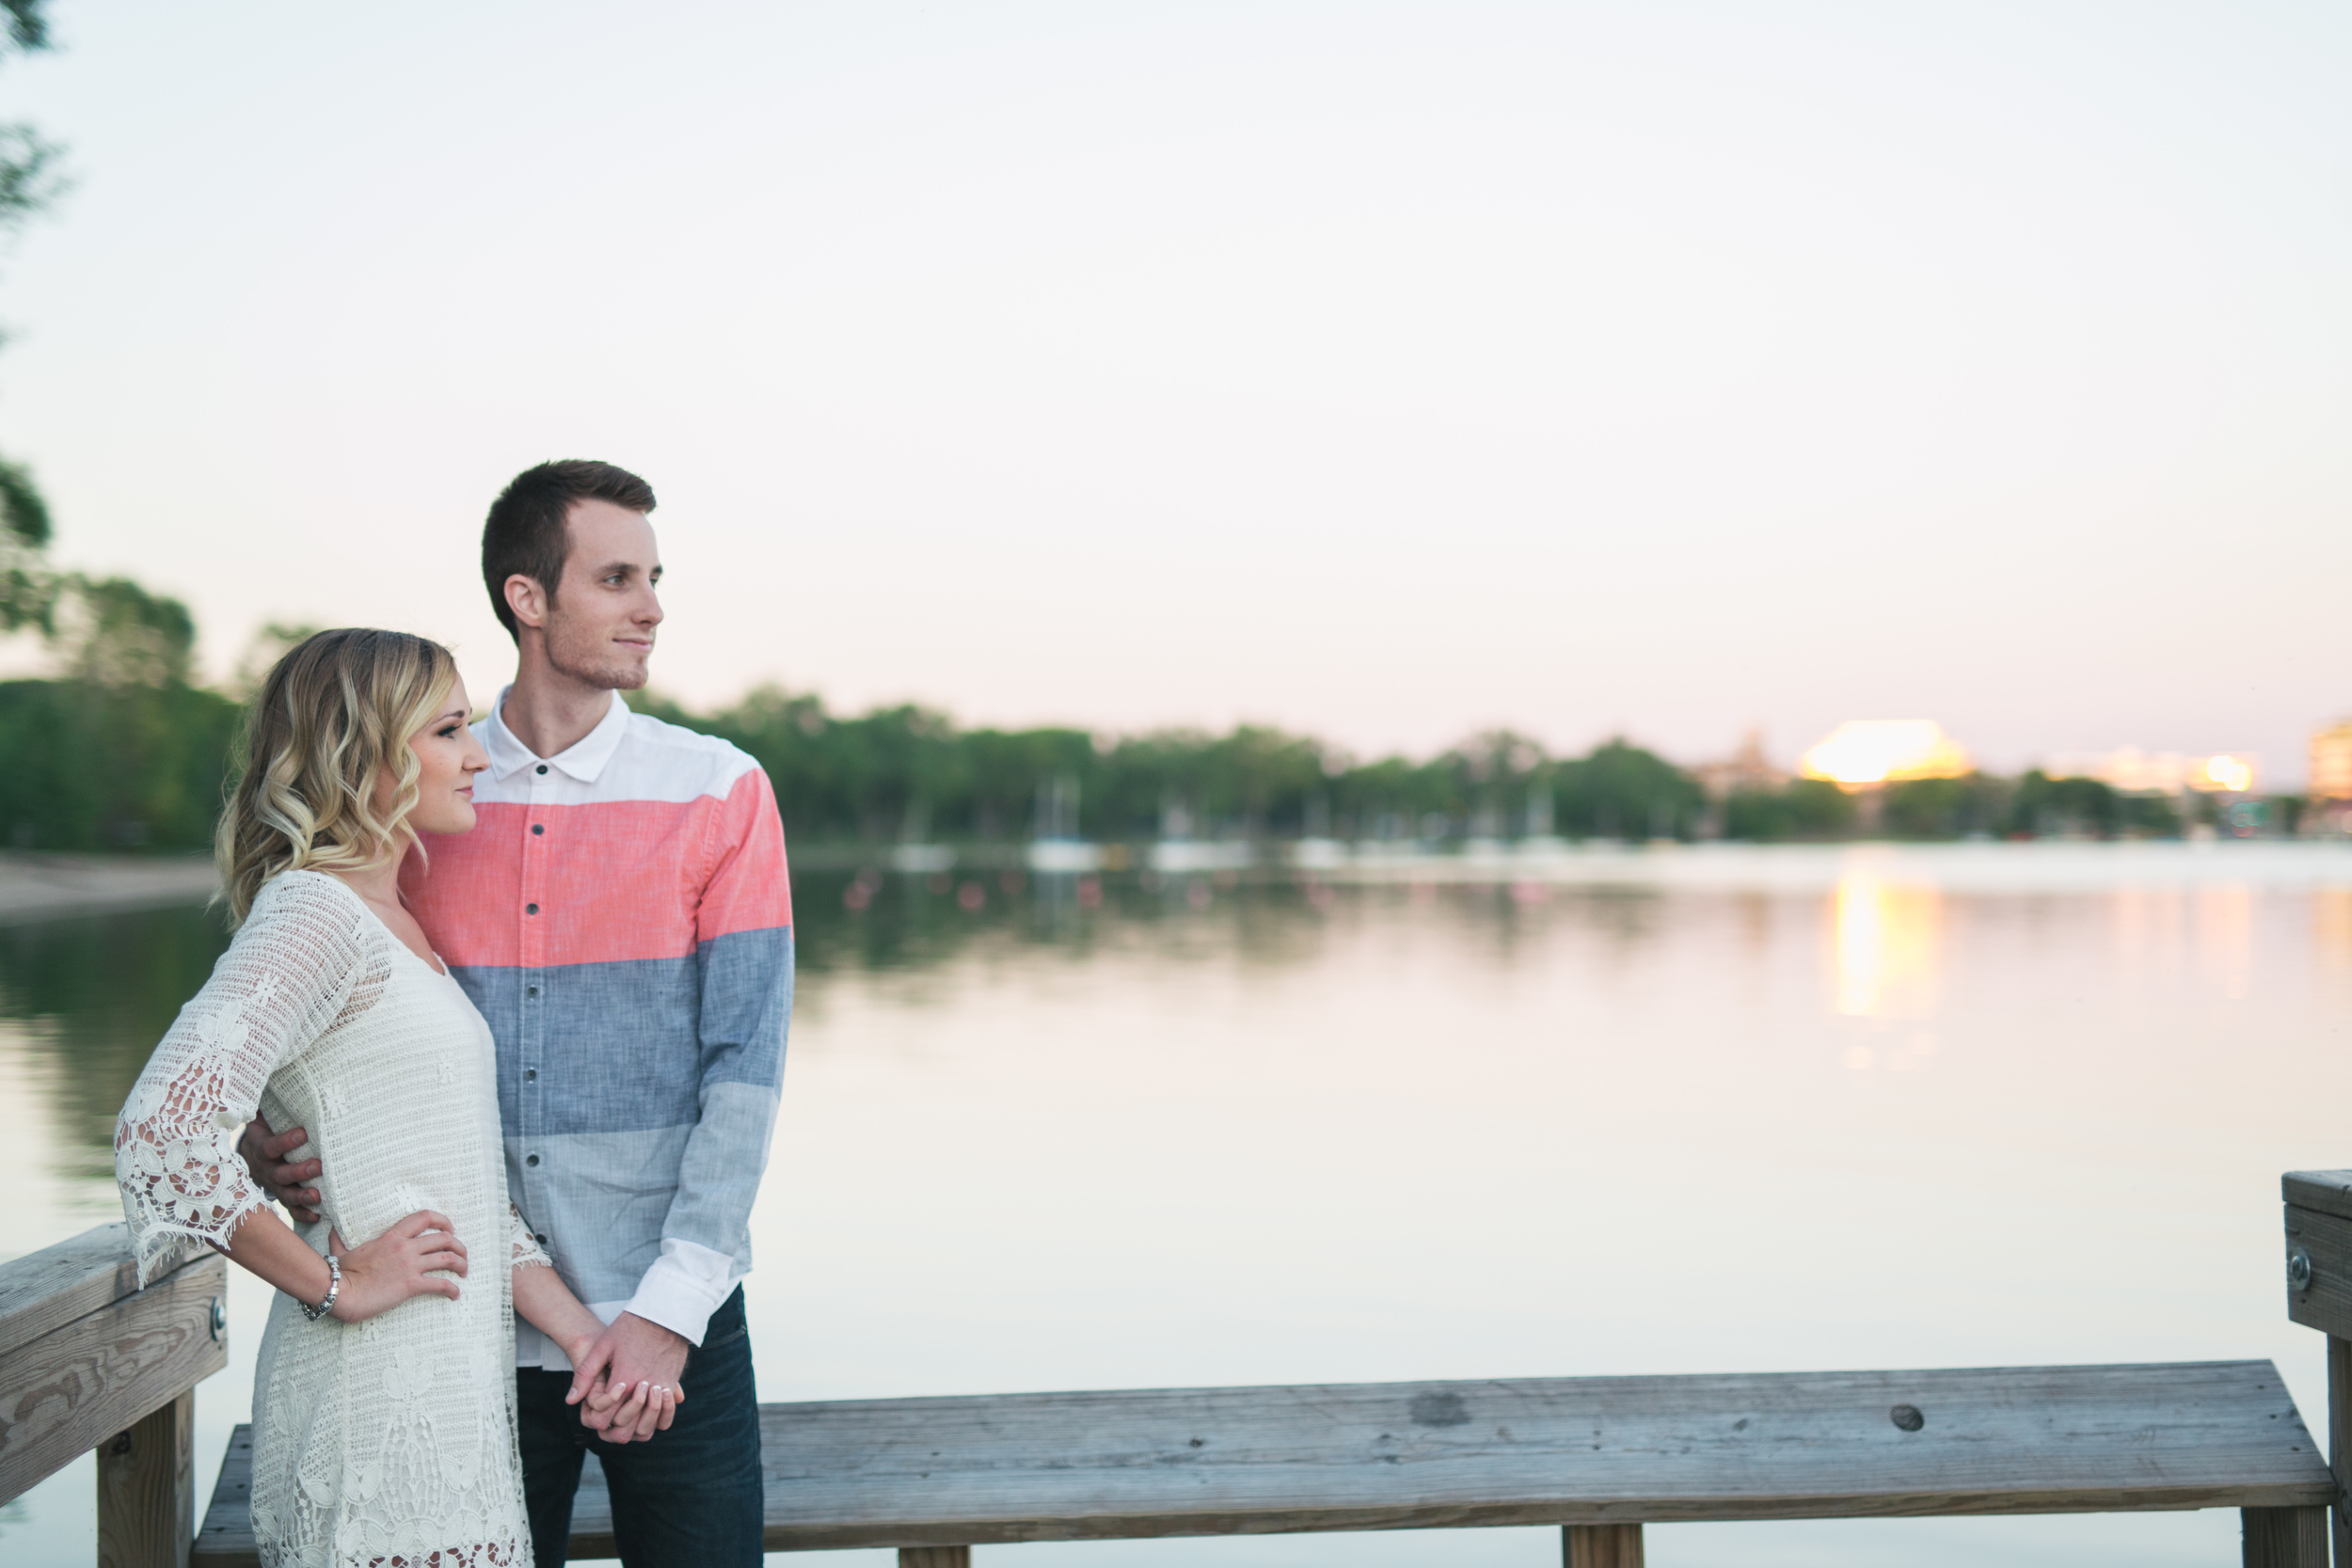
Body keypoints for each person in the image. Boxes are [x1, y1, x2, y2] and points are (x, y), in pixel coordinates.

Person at [241, 462, 793, 1566]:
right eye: (618, 577)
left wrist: (667, 1310)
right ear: (528, 598)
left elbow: (746, 1071)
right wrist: (270, 1128)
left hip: (666, 1320)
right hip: (457, 1329)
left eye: (655, 577)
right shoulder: (426, 792)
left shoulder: (718, 790)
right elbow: (312, 999)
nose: (652, 606)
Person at [115, 627, 674, 1568]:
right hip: (370, 1405)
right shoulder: (312, 915)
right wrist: (338, 1282)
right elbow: (164, 1134)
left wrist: (587, 1338)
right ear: (362, 751)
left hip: (451, 1408)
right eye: (449, 730)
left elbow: (454, 1193)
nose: (478, 754)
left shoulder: (394, 922)